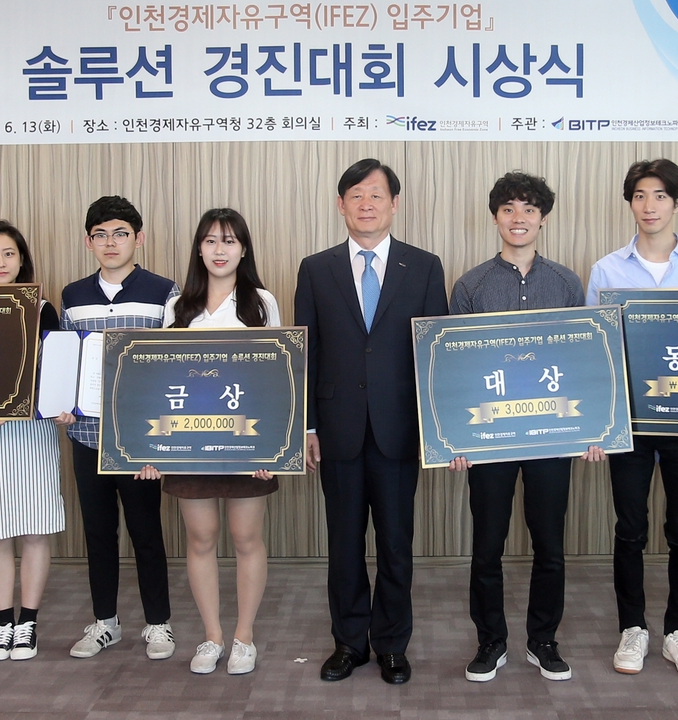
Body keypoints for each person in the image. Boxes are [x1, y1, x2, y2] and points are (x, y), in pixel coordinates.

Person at [296, 158, 449, 685]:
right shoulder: (316, 268)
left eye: (376, 194)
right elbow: (307, 353)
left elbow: (435, 353)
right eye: (356, 195)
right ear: (341, 205)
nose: (366, 204)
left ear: (394, 204)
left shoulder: (424, 266)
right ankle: (348, 643)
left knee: (395, 545)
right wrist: (308, 426)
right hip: (337, 429)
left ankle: (391, 644)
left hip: (398, 429)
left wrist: (436, 428)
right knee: (343, 545)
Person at [447, 172, 600, 683]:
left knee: (549, 545)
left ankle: (543, 640)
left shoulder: (567, 283)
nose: (519, 218)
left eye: (529, 209)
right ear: (496, 217)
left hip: (551, 439)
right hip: (488, 440)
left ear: (543, 218)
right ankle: (490, 641)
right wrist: (457, 438)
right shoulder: (470, 285)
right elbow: (456, 369)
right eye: (509, 208)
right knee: (486, 545)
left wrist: (592, 430)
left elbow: (582, 361)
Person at [584, 158, 678, 679]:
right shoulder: (607, 270)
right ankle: (632, 627)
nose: (650, 206)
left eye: (661, 196)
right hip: (631, 423)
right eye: (641, 196)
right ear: (630, 203)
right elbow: (595, 351)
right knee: (630, 528)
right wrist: (597, 424)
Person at [139, 208, 281, 676]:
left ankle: (244, 637)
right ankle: (212, 636)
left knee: (246, 538)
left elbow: (276, 378)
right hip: (190, 444)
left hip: (246, 444)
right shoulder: (178, 306)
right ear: (199, 249)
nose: (220, 250)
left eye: (230, 241)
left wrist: (272, 449)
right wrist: (153, 450)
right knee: (200, 538)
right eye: (211, 241)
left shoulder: (261, 303)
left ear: (244, 249)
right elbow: (160, 380)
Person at [60, 195, 179, 662]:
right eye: (101, 235)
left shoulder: (164, 292)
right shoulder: (73, 296)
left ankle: (159, 623)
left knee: (146, 531)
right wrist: (63, 405)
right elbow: (66, 361)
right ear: (88, 242)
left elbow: (172, 364)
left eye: (121, 234)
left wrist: (161, 440)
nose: (111, 243)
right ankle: (104, 622)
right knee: (98, 532)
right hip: (87, 435)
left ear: (139, 238)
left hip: (140, 440)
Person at [0, 220, 67, 662]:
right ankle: (4, 624)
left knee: (35, 529)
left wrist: (60, 403)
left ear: (22, 260)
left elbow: (55, 369)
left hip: (31, 432)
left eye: (8, 254)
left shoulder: (42, 308)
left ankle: (29, 624)